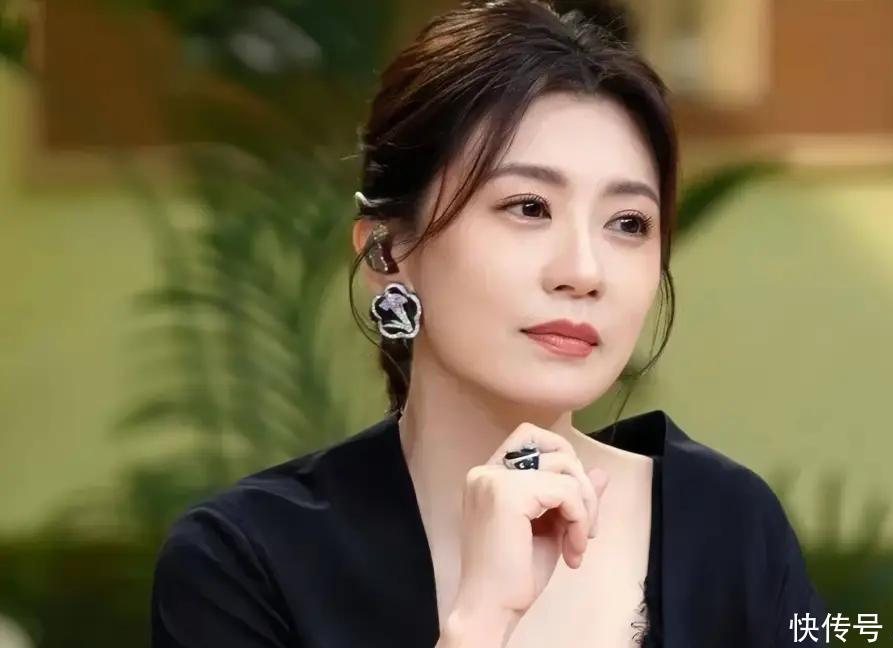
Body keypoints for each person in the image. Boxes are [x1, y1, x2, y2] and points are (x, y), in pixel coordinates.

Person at [149, 1, 828, 646]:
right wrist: (478, 622)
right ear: (388, 252)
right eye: (529, 207)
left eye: (628, 223)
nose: (584, 270)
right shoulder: (242, 563)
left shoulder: (727, 526)